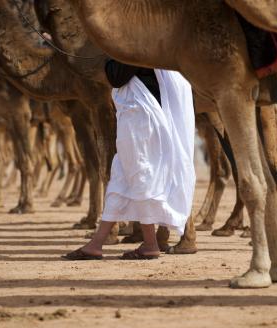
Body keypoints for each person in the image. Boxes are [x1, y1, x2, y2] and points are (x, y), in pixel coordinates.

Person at [63, 60, 196, 260]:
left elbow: (116, 76)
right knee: (121, 177)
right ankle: (96, 243)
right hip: (138, 117)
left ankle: (150, 244)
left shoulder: (134, 47)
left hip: (140, 119)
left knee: (139, 176)